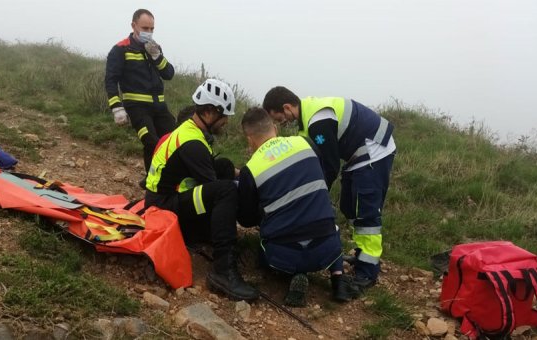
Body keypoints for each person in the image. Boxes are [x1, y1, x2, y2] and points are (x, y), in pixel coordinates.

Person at [262, 86, 396, 298]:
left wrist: (318, 195)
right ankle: (362, 254)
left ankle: (367, 272)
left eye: (278, 118)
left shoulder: (318, 120)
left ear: (287, 107)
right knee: (348, 205)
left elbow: (330, 164)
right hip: (357, 155)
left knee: (365, 211)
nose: (280, 123)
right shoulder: (307, 122)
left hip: (373, 151)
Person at [145, 79, 259, 301]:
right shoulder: (193, 144)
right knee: (226, 191)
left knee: (224, 166)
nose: (226, 121)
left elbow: (214, 172)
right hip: (163, 209)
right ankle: (223, 270)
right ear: (209, 112)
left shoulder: (191, 131)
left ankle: (205, 233)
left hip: (166, 199)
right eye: (224, 115)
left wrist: (247, 173)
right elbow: (214, 188)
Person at [237, 107, 352, 306]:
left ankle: (295, 275)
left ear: (249, 139)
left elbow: (246, 220)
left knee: (264, 248)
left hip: (282, 257)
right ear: (274, 128)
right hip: (326, 249)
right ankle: (338, 280)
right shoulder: (305, 143)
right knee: (328, 222)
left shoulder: (251, 169)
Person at [105, 9, 175, 188]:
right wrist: (116, 107)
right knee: (151, 142)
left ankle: (166, 180)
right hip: (136, 108)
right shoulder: (120, 49)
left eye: (152, 29)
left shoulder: (153, 47)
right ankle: (152, 185)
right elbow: (111, 80)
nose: (149, 32)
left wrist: (157, 56)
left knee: (172, 142)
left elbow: (168, 74)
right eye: (145, 28)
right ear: (133, 26)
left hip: (159, 107)